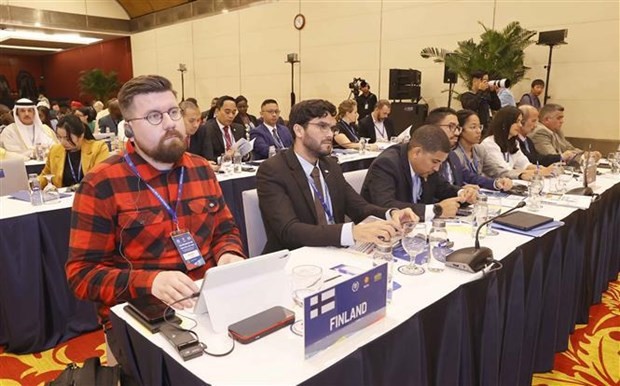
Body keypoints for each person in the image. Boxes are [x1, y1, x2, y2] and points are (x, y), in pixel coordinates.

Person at [66, 75, 245, 367]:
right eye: (153, 116)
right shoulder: (102, 184)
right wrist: (150, 282)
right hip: (143, 315)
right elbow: (81, 275)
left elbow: (225, 229)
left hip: (210, 301)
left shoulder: (201, 169)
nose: (169, 123)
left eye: (173, 112)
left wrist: (229, 253)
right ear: (129, 128)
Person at [256, 99, 416, 253]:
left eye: (332, 128)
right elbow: (289, 230)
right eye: (322, 126)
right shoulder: (273, 170)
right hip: (296, 259)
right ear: (299, 130)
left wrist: (391, 213)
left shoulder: (330, 165)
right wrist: (350, 232)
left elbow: (359, 207)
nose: (329, 134)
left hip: (337, 252)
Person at [361, 124, 478, 221]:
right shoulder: (387, 164)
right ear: (417, 153)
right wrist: (436, 210)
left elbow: (443, 188)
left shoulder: (428, 167)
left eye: (440, 163)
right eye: (435, 161)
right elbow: (385, 205)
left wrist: (463, 194)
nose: (437, 168)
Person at [428, 107, 512, 191]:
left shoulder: (452, 156)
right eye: (451, 126)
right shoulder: (427, 157)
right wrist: (460, 190)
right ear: (433, 128)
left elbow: (470, 177)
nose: (457, 132)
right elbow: (436, 191)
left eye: (457, 128)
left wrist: (496, 183)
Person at [479, 106, 553, 180]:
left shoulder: (514, 142)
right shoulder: (489, 144)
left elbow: (524, 165)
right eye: (517, 121)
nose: (520, 125)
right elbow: (505, 172)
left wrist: (542, 168)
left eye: (520, 121)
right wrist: (539, 172)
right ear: (505, 123)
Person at [38, 114, 109, 188]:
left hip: (89, 194)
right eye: (59, 137)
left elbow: (100, 176)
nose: (63, 142)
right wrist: (34, 183)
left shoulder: (98, 148)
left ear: (81, 136)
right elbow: (45, 175)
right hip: (63, 197)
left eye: (67, 138)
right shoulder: (55, 150)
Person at [528, 103, 601, 163]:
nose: (562, 121)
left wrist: (587, 154)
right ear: (547, 119)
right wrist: (582, 158)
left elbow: (569, 148)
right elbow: (553, 158)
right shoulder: (540, 132)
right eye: (559, 118)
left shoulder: (557, 131)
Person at [204, 95, 247, 162]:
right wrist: (225, 158)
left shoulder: (239, 128)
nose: (231, 116)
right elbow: (208, 159)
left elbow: (246, 157)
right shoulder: (207, 129)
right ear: (217, 111)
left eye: (233, 112)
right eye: (227, 112)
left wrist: (246, 154)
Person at [460, 70, 501, 137]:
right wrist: (480, 90)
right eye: (484, 81)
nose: (486, 83)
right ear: (475, 81)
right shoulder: (466, 96)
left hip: (487, 128)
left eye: (487, 81)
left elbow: (496, 106)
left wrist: (492, 92)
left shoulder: (485, 95)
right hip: (474, 129)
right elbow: (471, 106)